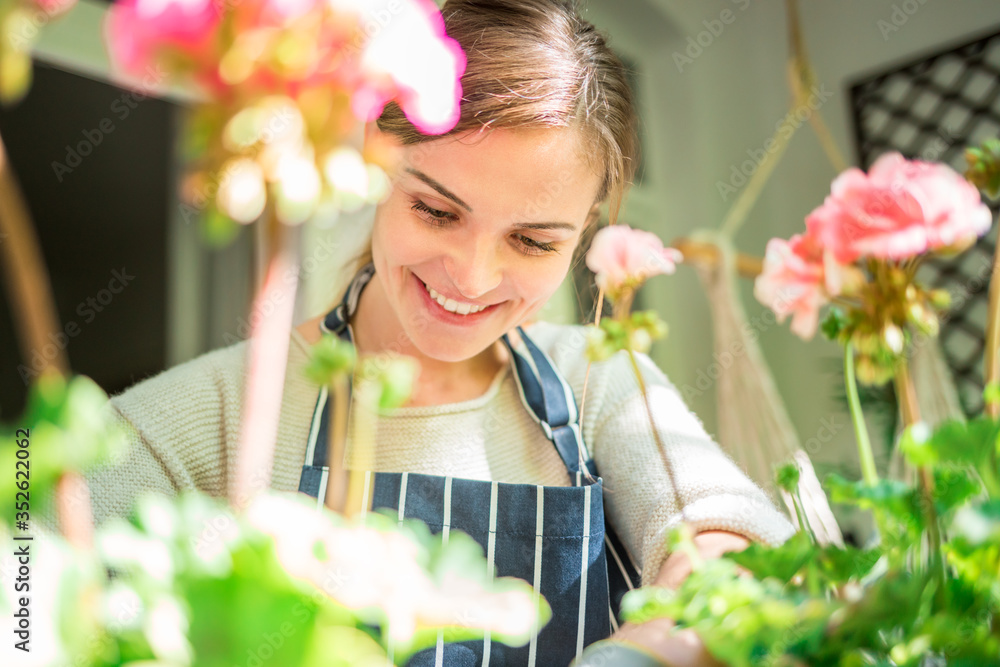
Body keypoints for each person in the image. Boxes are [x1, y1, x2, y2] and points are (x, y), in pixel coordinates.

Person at [81, 0, 795, 665]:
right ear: (375, 160)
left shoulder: (598, 381)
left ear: (582, 237)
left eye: (533, 241)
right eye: (436, 211)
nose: (474, 277)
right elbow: (22, 542)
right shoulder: (231, 402)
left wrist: (659, 641)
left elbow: (722, 533)